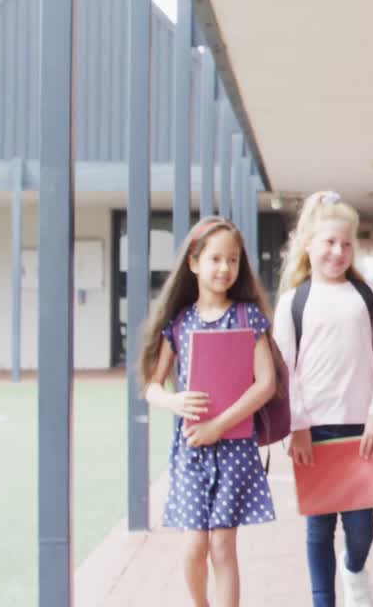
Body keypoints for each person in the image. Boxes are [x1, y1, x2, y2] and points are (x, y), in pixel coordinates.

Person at [140, 216, 280, 607]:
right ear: (194, 263)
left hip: (235, 447)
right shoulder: (178, 323)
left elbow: (265, 383)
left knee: (222, 544)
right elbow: (152, 386)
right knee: (193, 545)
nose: (224, 268)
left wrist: (220, 424)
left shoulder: (249, 317)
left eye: (232, 260)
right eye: (215, 259)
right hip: (190, 449)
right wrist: (172, 400)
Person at [274, 191, 373, 607]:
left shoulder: (368, 297)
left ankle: (354, 569)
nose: (338, 251)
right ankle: (322, 600)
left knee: (362, 526)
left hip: (361, 429)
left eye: (346, 244)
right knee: (319, 529)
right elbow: (283, 369)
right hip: (313, 431)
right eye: (329, 242)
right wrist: (296, 425)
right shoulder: (294, 301)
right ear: (308, 245)